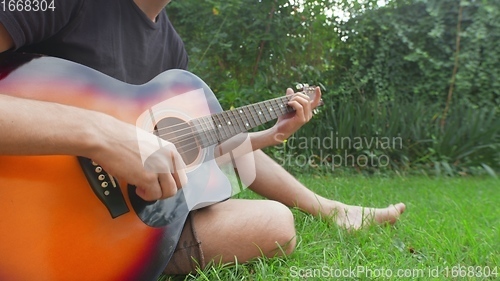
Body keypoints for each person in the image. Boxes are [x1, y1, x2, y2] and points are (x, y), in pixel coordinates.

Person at [0, 0, 405, 276]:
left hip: (113, 217)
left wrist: (270, 135)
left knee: (274, 225)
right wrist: (100, 134)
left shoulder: (171, 50)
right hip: (24, 204)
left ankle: (333, 210)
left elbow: (196, 143)